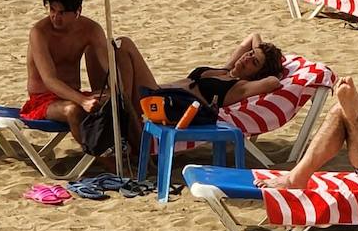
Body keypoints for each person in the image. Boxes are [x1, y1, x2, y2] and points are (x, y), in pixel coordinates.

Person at [108, 32, 288, 151]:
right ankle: (123, 109)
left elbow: (272, 82)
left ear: (257, 74)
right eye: (251, 53)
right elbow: (253, 36)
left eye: (254, 62)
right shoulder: (226, 70)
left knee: (124, 45)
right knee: (118, 47)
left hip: (159, 103)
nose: (247, 57)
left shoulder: (239, 87)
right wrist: (261, 52)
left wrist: (274, 69)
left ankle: (125, 115)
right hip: (155, 94)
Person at [20, 0, 112, 147]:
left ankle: (139, 151)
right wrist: (83, 101)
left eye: (62, 12)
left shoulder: (90, 29)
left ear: (78, 11)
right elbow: (49, 80)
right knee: (73, 110)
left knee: (116, 100)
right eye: (52, 10)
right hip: (43, 100)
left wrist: (117, 90)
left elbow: (109, 67)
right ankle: (102, 157)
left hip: (73, 94)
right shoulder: (40, 32)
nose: (55, 17)